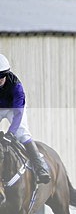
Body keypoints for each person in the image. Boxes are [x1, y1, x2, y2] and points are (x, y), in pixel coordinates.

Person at [0, 53, 51, 184]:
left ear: (6, 74)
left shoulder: (17, 87)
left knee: (22, 132)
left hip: (14, 109)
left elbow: (18, 114)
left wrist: (10, 133)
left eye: (1, 77)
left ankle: (41, 167)